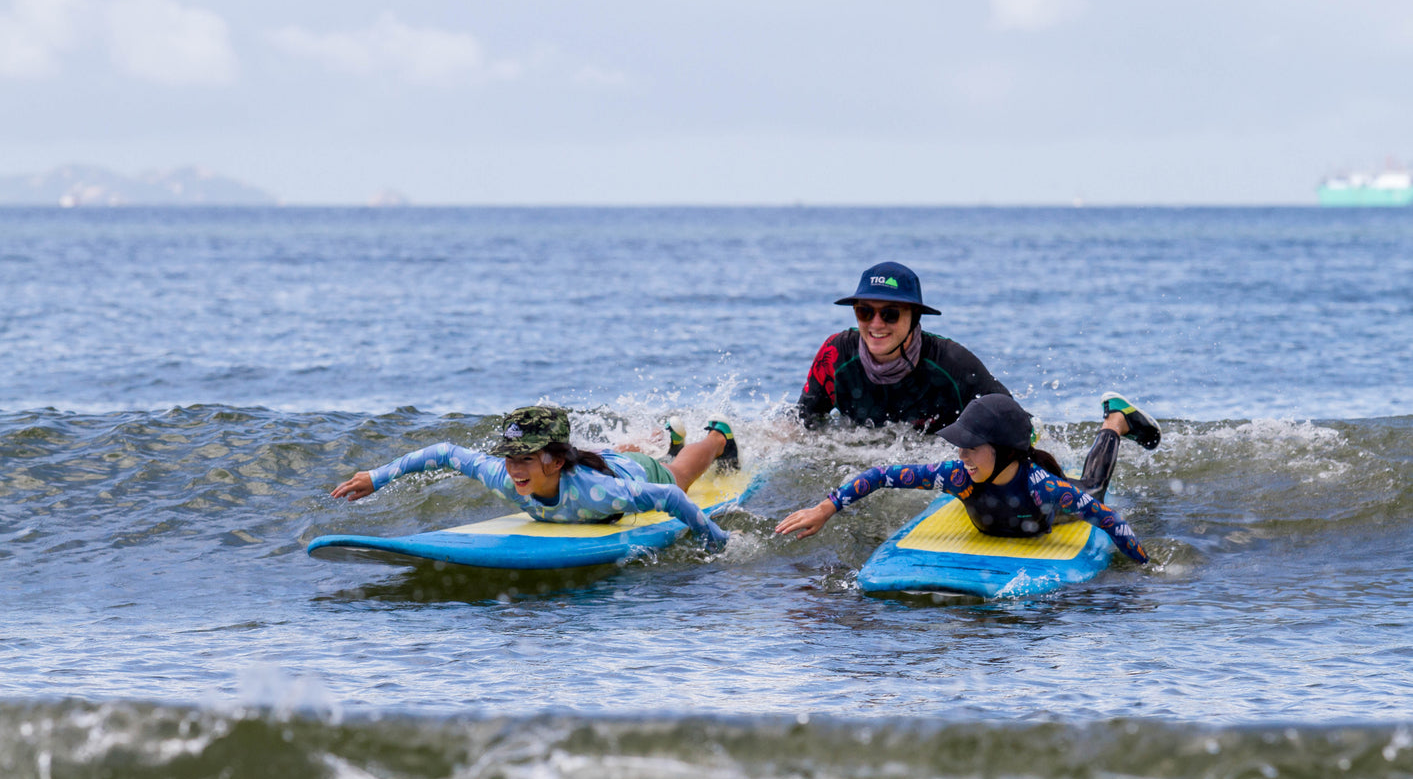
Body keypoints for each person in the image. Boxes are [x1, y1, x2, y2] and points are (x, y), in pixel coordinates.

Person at [775, 392, 1161, 563]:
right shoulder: (957, 476)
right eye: (959, 446)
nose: (960, 455)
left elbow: (1111, 521)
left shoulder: (1044, 488)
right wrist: (826, 508)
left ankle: (1116, 420)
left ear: (1005, 449)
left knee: (1093, 490)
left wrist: (1145, 569)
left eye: (971, 446)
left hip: (1049, 513)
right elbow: (881, 476)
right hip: (998, 501)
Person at [331, 406, 739, 550]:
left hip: (631, 473)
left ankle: (717, 434)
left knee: (680, 472)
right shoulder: (505, 476)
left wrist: (716, 543)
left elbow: (669, 497)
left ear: (555, 461)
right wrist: (377, 477)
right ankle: (665, 433)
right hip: (599, 461)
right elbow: (444, 453)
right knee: (609, 453)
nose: (514, 468)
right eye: (510, 457)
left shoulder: (601, 493)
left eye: (524, 458)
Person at [797, 261, 1010, 432]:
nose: (876, 324)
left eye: (891, 314)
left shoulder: (952, 363)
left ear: (915, 317)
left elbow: (1017, 423)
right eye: (865, 312)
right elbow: (800, 424)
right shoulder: (835, 355)